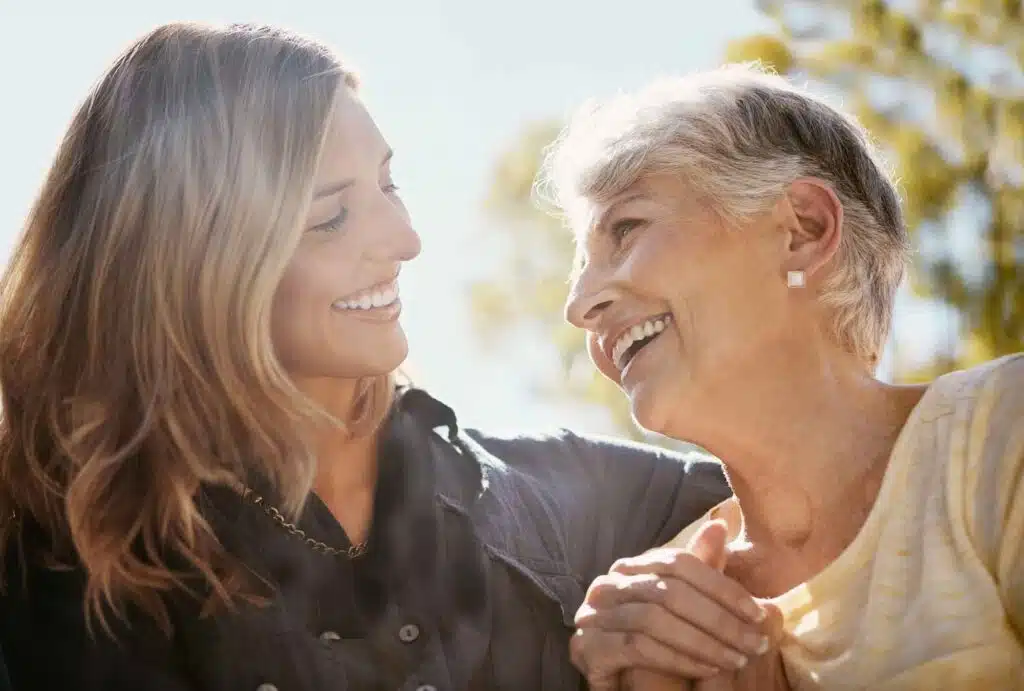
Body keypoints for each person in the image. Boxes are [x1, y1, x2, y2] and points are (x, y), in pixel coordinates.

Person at [0, 23, 734, 691]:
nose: (403, 238)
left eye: (389, 184)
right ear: (191, 267)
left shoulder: (567, 502)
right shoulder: (55, 554)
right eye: (330, 216)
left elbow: (812, 498)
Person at [546, 63, 1024, 689]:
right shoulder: (663, 605)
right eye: (581, 267)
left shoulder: (1001, 436)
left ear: (803, 230)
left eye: (627, 228)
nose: (579, 305)